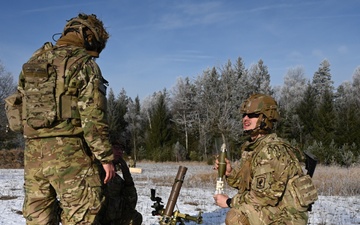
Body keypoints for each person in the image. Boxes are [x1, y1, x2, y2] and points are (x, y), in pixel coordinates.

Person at [16, 13, 116, 225]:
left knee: (38, 220)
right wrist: (106, 158)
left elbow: (19, 106)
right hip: (71, 155)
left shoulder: (33, 62)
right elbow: (93, 118)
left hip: (34, 156)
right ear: (90, 38)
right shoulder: (83, 64)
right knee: (81, 218)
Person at [213, 93, 318, 225]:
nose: (245, 119)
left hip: (287, 217)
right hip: (273, 210)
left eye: (252, 115)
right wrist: (229, 173)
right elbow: (248, 185)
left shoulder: (272, 151)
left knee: (236, 217)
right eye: (244, 115)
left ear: (265, 118)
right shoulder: (253, 148)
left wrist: (229, 202)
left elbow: (262, 197)